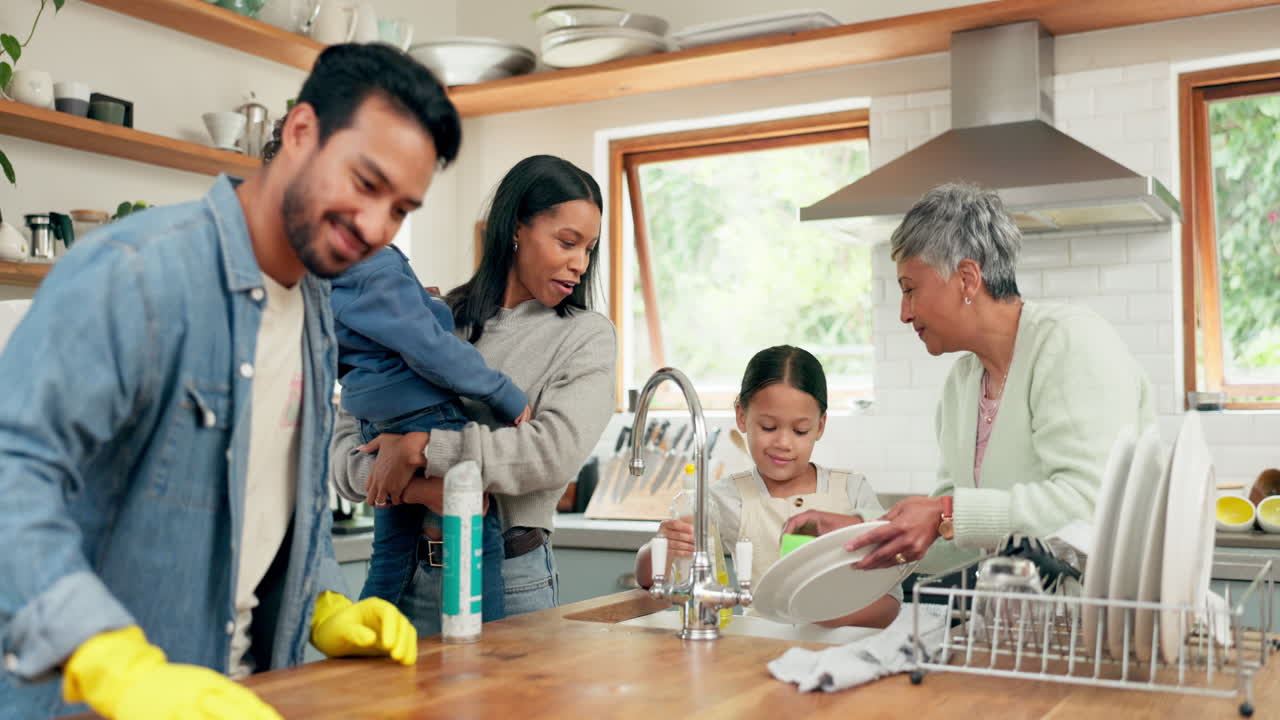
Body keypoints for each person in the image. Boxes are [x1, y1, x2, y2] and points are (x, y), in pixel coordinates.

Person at [0, 43, 460, 720]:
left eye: (399, 209)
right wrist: (107, 659)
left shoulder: (313, 312)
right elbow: (13, 478)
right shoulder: (136, 273)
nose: (375, 228)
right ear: (300, 132)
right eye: (365, 183)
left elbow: (267, 502)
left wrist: (322, 598)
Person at [784, 183, 1156, 577]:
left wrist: (946, 513)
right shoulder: (962, 386)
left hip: (1105, 625)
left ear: (966, 278)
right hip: (1024, 627)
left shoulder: (1068, 342)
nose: (904, 314)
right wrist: (860, 532)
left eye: (910, 290)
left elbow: (1091, 505)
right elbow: (954, 540)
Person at [330, 154, 617, 636]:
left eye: (589, 249)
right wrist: (410, 480)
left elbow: (549, 455)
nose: (579, 264)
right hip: (403, 575)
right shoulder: (430, 319)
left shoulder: (585, 336)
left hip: (510, 578)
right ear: (516, 229)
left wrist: (419, 449)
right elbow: (344, 455)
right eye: (567, 242)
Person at [330, 243, 532, 622]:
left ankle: (360, 643)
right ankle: (485, 648)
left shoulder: (323, 273)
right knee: (477, 536)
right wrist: (503, 393)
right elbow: (430, 348)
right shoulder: (375, 263)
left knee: (390, 552)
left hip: (373, 418)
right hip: (423, 409)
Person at [635, 345, 901, 628]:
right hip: (760, 649)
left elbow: (890, 599)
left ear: (821, 425)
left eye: (800, 431)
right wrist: (662, 546)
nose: (783, 443)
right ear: (741, 415)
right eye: (768, 427)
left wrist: (819, 615)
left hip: (845, 652)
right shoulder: (727, 497)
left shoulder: (851, 489)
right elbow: (649, 578)